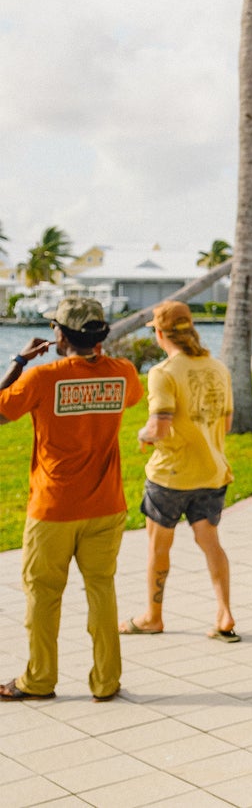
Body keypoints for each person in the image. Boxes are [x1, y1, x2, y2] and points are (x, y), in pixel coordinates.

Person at [0, 296, 143, 701]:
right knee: (102, 592)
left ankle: (39, 680)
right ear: (100, 335)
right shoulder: (125, 374)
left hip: (53, 510)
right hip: (107, 506)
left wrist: (18, 360)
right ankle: (106, 681)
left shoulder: (42, 379)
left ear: (60, 334)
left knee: (43, 596)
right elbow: (128, 397)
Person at [120, 300, 239, 642]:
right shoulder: (218, 368)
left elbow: (158, 426)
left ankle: (153, 616)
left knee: (159, 548)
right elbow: (227, 422)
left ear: (159, 333)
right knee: (210, 542)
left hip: (169, 477)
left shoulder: (163, 373)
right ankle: (225, 613)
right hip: (212, 472)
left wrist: (142, 435)